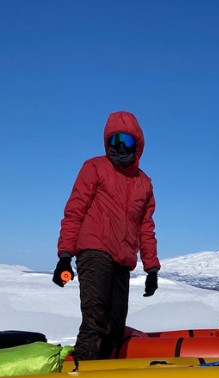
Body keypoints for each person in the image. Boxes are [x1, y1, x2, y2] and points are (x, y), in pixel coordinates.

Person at [53, 111, 160, 362]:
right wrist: (65, 256)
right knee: (96, 321)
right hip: (94, 251)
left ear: (138, 145)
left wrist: (152, 269)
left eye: (127, 141)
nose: (120, 147)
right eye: (114, 141)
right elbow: (75, 211)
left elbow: (146, 227)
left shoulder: (144, 183)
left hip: (122, 260)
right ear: (106, 142)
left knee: (114, 326)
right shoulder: (94, 168)